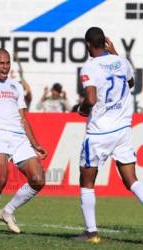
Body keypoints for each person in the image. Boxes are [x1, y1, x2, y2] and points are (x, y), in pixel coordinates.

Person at [76, 27, 143, 243]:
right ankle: (91, 232)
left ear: (88, 44)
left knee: (87, 181)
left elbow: (92, 99)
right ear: (105, 42)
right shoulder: (122, 62)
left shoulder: (89, 67)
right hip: (122, 130)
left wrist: (81, 108)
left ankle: (92, 233)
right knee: (132, 180)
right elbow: (132, 84)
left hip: (98, 133)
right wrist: (114, 54)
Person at [0, 48, 47, 236]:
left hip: (18, 137)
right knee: (1, 178)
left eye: (7, 63)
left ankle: (8, 211)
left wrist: (35, 143)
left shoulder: (16, 86)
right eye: (1, 63)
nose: (5, 67)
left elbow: (23, 118)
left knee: (38, 180)